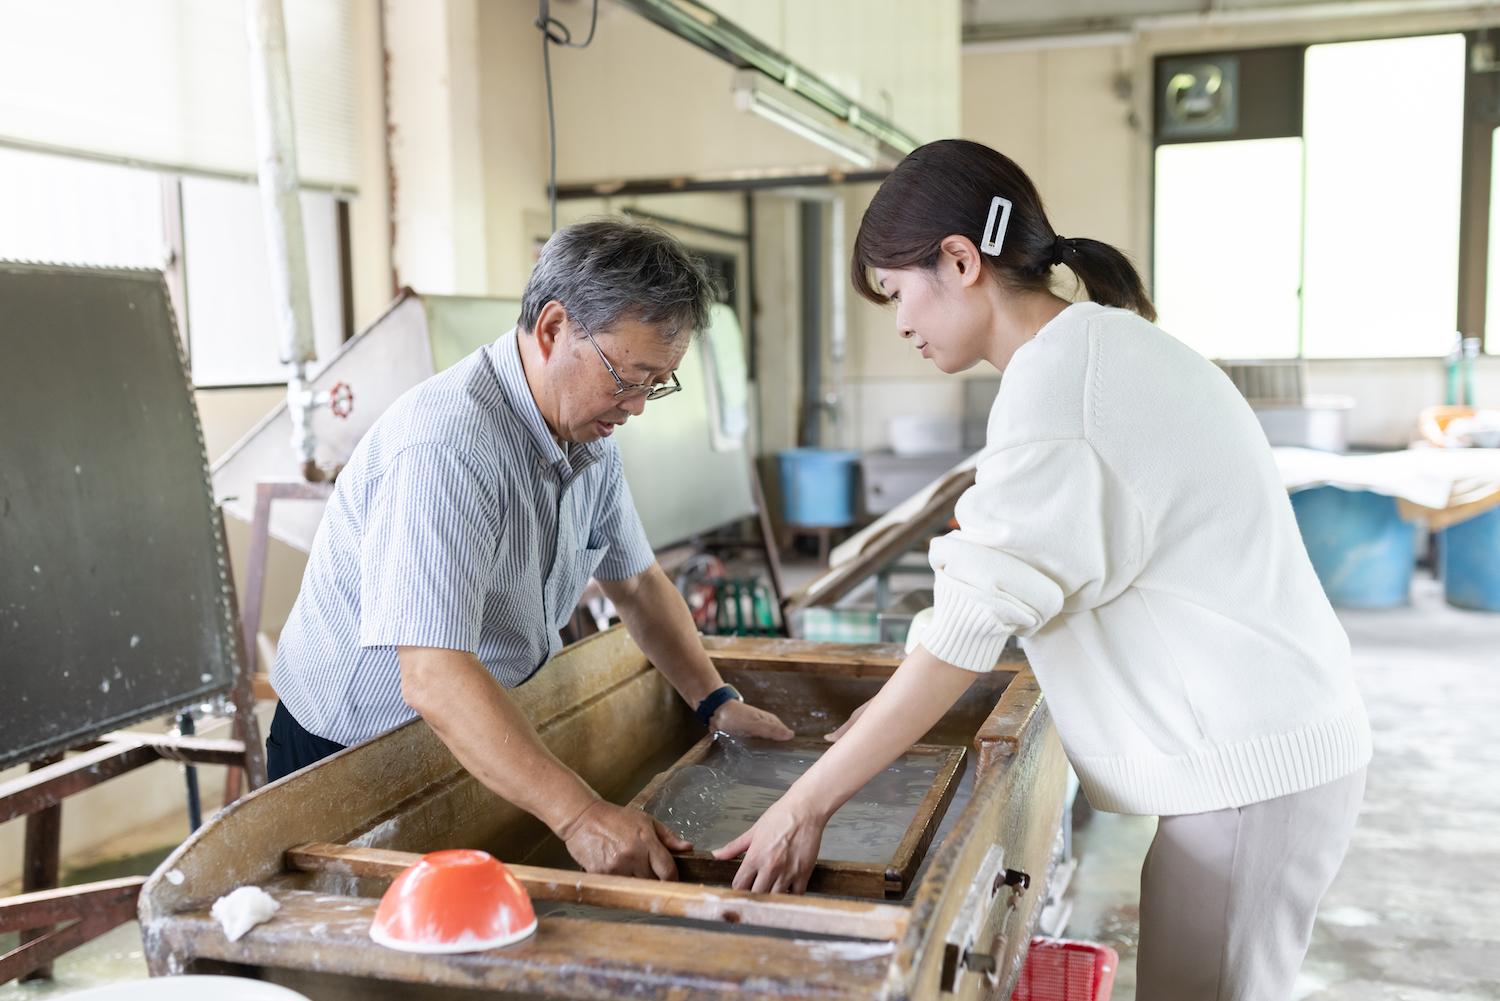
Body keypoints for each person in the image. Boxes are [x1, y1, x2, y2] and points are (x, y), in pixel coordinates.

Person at [712, 140, 1370, 1000]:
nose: (901, 321)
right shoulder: (1096, 347)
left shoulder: (1061, 387)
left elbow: (963, 634)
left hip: (1256, 770)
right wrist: (873, 719)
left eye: (900, 291)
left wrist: (806, 801)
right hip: (1271, 755)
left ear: (960, 260)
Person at [269, 218, 793, 881]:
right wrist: (578, 814)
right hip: (350, 757)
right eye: (629, 377)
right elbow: (430, 672)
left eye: (657, 384)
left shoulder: (587, 433)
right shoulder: (449, 447)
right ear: (552, 330)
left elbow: (638, 583)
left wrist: (716, 703)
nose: (636, 406)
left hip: (466, 730)